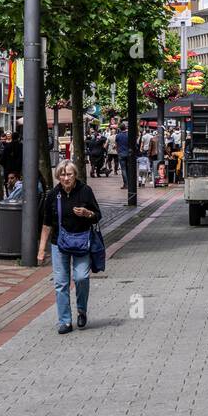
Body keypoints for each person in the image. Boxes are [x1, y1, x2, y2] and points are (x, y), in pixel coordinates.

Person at [37, 160, 102, 335]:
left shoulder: (85, 191)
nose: (66, 178)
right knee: (61, 283)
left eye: (69, 174)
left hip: (81, 242)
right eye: (63, 175)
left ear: (75, 175)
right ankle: (65, 321)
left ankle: (81, 310)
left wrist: (87, 213)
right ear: (58, 176)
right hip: (59, 243)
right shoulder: (53, 195)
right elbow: (46, 224)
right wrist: (41, 250)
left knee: (81, 277)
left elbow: (98, 215)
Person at [115, 122, 130, 188]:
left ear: (120, 129)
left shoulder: (117, 135)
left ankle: (126, 184)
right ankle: (130, 183)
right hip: (128, 153)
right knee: (128, 168)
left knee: (123, 169)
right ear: (125, 128)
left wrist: (118, 152)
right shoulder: (129, 135)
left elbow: (116, 145)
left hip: (121, 153)